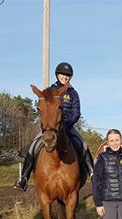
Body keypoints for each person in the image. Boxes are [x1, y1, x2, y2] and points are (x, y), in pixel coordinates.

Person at [14, 62, 94, 191]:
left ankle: (92, 173)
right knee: (34, 145)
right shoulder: (49, 91)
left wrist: (66, 124)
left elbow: (76, 112)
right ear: (57, 75)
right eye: (62, 74)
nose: (65, 77)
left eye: (68, 75)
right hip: (51, 127)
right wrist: (48, 124)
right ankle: (24, 178)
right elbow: (43, 109)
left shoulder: (73, 93)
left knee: (83, 144)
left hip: (67, 126)